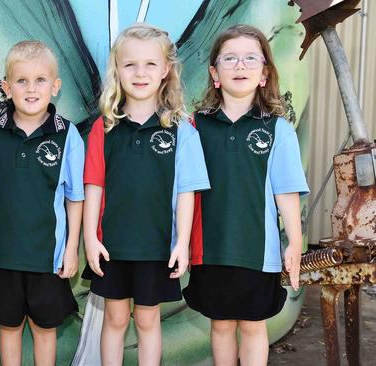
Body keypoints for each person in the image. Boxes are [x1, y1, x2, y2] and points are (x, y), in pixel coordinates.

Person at [81, 23, 210, 365]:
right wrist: (90, 239)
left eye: (150, 64)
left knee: (148, 320)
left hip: (156, 246)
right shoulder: (104, 127)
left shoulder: (181, 129)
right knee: (115, 319)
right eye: (130, 64)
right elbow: (93, 185)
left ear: (166, 69)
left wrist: (181, 242)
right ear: (117, 70)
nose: (140, 73)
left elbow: (186, 192)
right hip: (113, 245)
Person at [183, 24, 309, 366]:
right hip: (210, 250)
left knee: (253, 327)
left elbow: (286, 192)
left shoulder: (278, 130)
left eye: (251, 58)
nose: (241, 66)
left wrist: (294, 243)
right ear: (215, 74)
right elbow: (183, 191)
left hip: (258, 252)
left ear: (265, 73)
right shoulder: (195, 126)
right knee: (221, 325)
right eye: (231, 59)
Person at [0, 40, 84, 366]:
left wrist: (70, 249)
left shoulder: (67, 134)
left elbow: (75, 197)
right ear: (7, 88)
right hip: (3, 257)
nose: (31, 88)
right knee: (9, 328)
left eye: (40, 80)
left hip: (47, 258)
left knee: (44, 329)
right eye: (21, 81)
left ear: (55, 87)